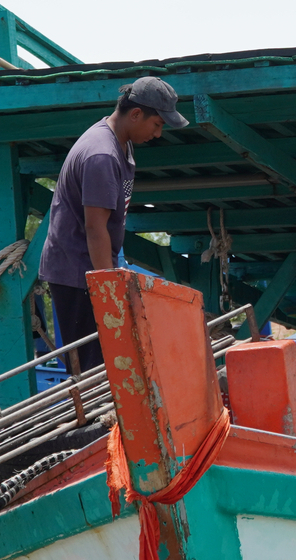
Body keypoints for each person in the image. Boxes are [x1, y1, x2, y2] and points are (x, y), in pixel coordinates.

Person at [39, 77, 188, 377]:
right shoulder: (101, 155)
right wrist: (108, 289)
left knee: (113, 362)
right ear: (135, 115)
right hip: (78, 276)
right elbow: (96, 228)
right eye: (157, 124)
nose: (158, 134)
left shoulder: (120, 143)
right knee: (95, 371)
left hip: (90, 270)